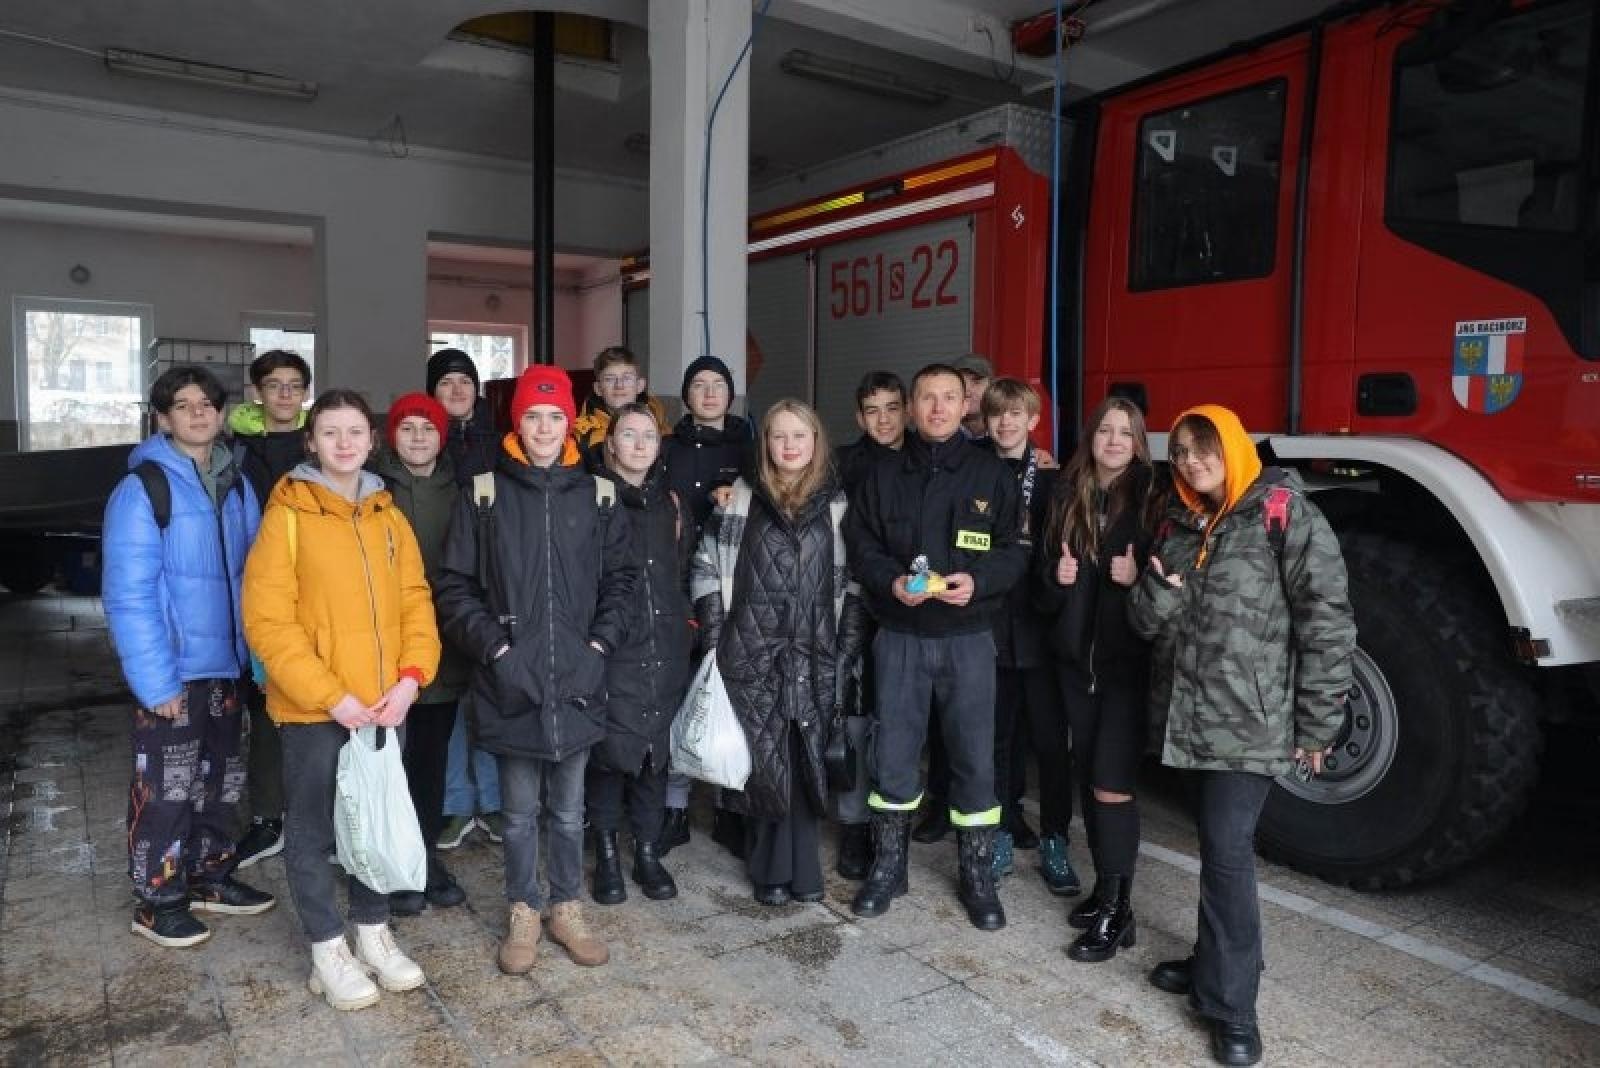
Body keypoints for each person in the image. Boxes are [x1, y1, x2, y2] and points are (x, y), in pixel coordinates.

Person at [1129, 404, 1355, 1067]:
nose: (1194, 463)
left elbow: (1328, 619)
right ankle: (1212, 964)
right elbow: (1142, 621)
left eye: (1205, 449)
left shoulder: (1281, 511)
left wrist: (1320, 723)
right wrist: (1155, 593)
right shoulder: (1174, 521)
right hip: (1192, 717)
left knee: (1226, 848)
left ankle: (1232, 1008)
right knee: (1215, 842)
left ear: (1232, 446)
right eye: (1182, 454)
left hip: (1253, 720)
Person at [242, 389, 440, 1012]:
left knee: (372, 822)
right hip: (317, 711)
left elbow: (416, 600)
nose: (345, 443)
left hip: (387, 706)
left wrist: (411, 680)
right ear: (312, 442)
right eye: (331, 433)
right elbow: (269, 622)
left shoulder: (388, 516)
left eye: (355, 431)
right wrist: (332, 697)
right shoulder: (288, 516)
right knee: (311, 827)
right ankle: (328, 947)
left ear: (371, 439)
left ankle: (373, 934)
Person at [434, 365, 635, 975]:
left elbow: (623, 583)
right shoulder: (486, 493)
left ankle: (566, 906)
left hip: (577, 677)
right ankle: (524, 907)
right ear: (515, 421)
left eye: (554, 416)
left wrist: (597, 649)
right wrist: (497, 652)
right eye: (531, 416)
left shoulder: (598, 494)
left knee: (569, 810)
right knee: (519, 813)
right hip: (512, 680)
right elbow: (454, 587)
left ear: (570, 421)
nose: (544, 428)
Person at [845, 363, 1027, 931]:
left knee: (974, 759)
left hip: (968, 637)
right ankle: (887, 868)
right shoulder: (883, 474)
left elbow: (1015, 548)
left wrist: (981, 580)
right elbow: (861, 544)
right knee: (893, 754)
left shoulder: (990, 473)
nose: (939, 408)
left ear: (963, 404)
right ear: (912, 406)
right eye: (928, 398)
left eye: (950, 398)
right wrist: (889, 582)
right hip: (899, 635)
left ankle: (976, 876)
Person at [104, 365, 275, 947]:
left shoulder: (238, 483)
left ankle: (207, 874)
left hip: (228, 664)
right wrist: (155, 680)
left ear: (222, 413)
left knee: (221, 781)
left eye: (208, 403)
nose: (199, 413)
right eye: (184, 404)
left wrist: (260, 659)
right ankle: (156, 898)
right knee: (168, 788)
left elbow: (259, 576)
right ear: (162, 417)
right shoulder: (143, 489)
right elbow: (129, 596)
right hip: (175, 669)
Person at [690, 399, 866, 905]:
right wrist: (715, 639)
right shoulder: (738, 500)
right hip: (750, 650)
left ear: (816, 444)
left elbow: (854, 583)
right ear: (765, 444)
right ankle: (769, 871)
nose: (789, 446)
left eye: (799, 437)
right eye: (779, 436)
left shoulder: (838, 506)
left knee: (806, 754)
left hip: (815, 651)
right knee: (764, 760)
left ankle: (805, 872)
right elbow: (705, 569)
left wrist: (846, 646)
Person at [1036, 396, 1164, 961]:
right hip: (1074, 667)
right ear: (1090, 438)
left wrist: (1138, 579)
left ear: (1138, 441)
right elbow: (1039, 592)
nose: (1113, 440)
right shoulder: (1065, 495)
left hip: (1124, 669)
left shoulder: (1156, 500)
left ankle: (1119, 911)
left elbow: (1174, 589)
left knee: (1113, 786)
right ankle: (1107, 890)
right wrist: (1056, 578)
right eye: (1104, 430)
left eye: (1125, 432)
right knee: (1094, 781)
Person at [585, 403, 690, 905]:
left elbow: (684, 566)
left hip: (664, 642)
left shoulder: (670, 501)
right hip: (614, 643)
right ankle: (606, 853)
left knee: (654, 754)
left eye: (648, 435)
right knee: (610, 754)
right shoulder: (592, 498)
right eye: (629, 435)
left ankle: (647, 853)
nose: (640, 444)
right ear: (611, 444)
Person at [372, 392, 470, 916]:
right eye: (406, 427)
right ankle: (389, 863)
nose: (416, 437)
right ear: (391, 435)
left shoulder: (462, 491)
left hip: (445, 645)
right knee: (387, 760)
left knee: (429, 760)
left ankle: (424, 857)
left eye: (426, 429)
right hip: (384, 649)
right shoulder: (372, 488)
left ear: (442, 435)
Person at [658, 354, 756, 856]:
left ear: (731, 393)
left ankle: (728, 807)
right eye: (699, 384)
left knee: (732, 697)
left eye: (719, 384)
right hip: (675, 587)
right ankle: (674, 807)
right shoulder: (667, 448)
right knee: (680, 692)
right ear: (687, 395)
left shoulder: (752, 447)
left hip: (735, 589)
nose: (710, 392)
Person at [980, 379, 1073, 887]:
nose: (1007, 423)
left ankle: (1057, 839)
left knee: (1050, 745)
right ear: (986, 420)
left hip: (1041, 632)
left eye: (1017, 414)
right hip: (991, 628)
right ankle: (997, 832)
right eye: (998, 415)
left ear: (1034, 420)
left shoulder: (1055, 482)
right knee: (996, 739)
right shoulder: (974, 471)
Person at [229, 348, 312, 869]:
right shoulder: (236, 449)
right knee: (266, 704)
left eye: (294, 384)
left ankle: (318, 817)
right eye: (274, 384)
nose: (284, 394)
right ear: (257, 391)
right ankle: (267, 817)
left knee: (322, 702)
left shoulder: (322, 439)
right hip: (261, 586)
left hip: (318, 588)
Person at [830, 371, 909, 880]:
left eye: (892, 407)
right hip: (855, 601)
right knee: (853, 714)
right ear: (859, 417)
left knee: (899, 719)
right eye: (872, 410)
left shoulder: (926, 460)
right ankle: (854, 827)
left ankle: (892, 827)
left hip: (909, 606)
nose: (883, 419)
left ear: (907, 410)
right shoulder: (841, 463)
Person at [427, 347, 503, 850]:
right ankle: (455, 804)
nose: (457, 390)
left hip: (493, 583)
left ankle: (493, 802)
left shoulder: (499, 443)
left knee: (493, 696)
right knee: (450, 701)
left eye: (465, 381)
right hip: (437, 584)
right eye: (446, 382)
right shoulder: (423, 440)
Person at [572, 345, 670, 470]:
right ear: (598, 388)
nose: (619, 386)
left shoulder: (662, 427)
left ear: (640, 385)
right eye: (610, 379)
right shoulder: (581, 435)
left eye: (627, 378)